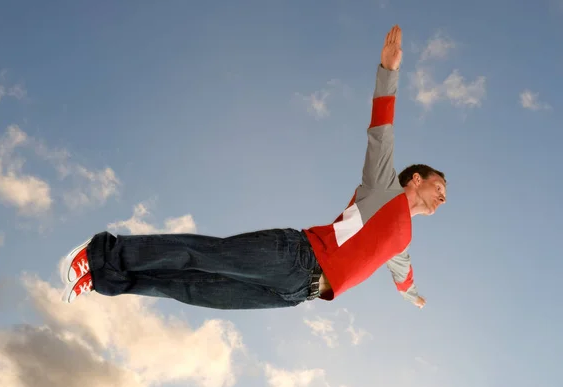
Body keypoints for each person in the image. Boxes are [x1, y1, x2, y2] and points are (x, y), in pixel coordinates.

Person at [60, 24, 447, 310]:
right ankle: (101, 253)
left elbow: (402, 270)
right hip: (296, 256)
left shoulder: (403, 239)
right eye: (439, 187)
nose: (443, 197)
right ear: (416, 179)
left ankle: (102, 278)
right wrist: (389, 71)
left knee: (193, 290)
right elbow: (382, 128)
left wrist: (412, 294)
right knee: (200, 255)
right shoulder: (383, 188)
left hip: (296, 293)